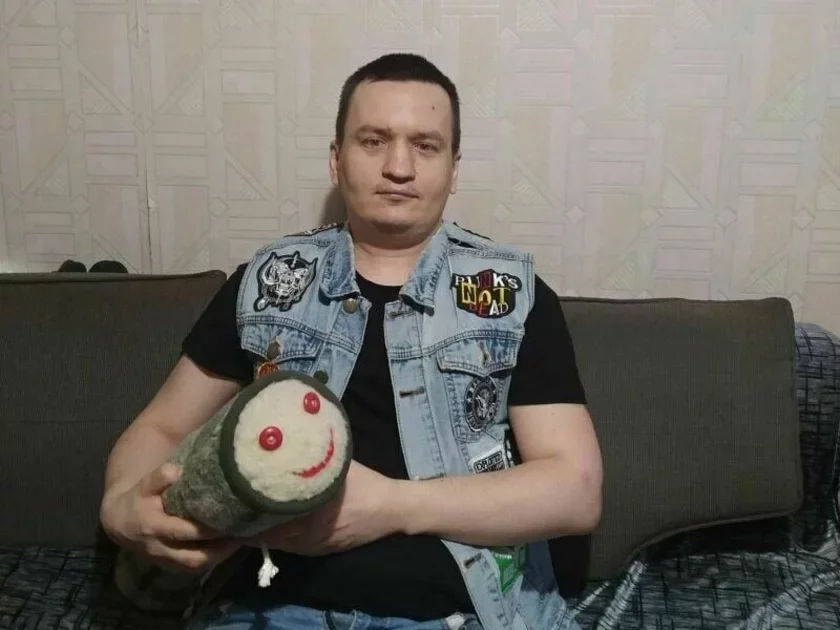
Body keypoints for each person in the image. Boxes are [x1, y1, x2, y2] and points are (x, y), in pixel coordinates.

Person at [99, 52, 603, 630]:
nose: (399, 167)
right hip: (272, 609)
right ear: (336, 160)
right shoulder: (267, 282)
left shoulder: (512, 295)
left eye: (425, 146)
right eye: (373, 141)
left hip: (459, 615)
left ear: (454, 169)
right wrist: (119, 506)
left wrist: (391, 506)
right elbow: (162, 426)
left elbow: (575, 489)